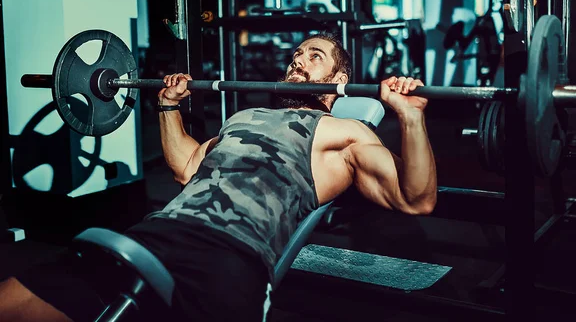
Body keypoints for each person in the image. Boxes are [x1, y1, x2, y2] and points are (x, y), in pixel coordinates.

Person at [0, 32, 437, 322]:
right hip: (156, 233)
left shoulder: (346, 132)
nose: (298, 61)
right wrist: (168, 105)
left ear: (340, 79)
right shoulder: (245, 116)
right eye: (297, 54)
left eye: (314, 55)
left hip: (230, 257)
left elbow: (416, 199)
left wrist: (410, 118)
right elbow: (187, 167)